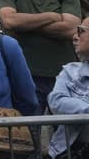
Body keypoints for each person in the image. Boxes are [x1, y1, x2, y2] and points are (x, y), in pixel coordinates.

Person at [49, 13, 89, 158]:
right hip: (71, 152)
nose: (74, 37)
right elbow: (56, 102)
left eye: (81, 31)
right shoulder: (70, 71)